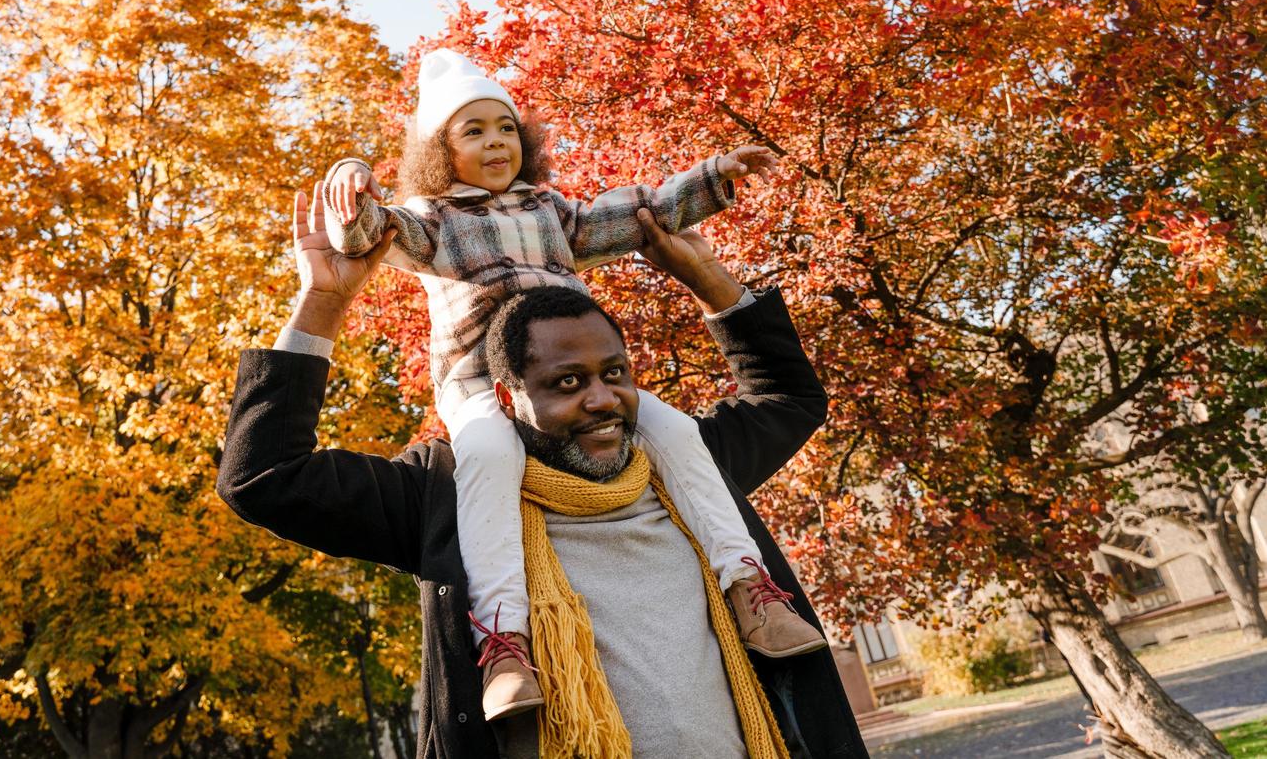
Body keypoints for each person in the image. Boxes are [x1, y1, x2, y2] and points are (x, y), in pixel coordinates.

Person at [216, 184, 870, 759]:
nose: (602, 399)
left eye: (615, 375)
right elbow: (265, 477)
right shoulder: (445, 499)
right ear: (507, 396)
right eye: (566, 382)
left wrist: (708, 278)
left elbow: (790, 400)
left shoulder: (686, 468)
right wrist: (324, 302)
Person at [319, 49, 825, 720]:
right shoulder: (433, 219)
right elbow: (372, 234)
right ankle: (504, 643)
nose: (495, 142)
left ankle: (749, 588)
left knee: (677, 434)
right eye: (473, 132)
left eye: (505, 128)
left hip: (573, 376)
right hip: (481, 386)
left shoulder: (551, 212)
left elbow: (637, 212)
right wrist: (350, 186)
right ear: (439, 151)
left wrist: (711, 179)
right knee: (491, 459)